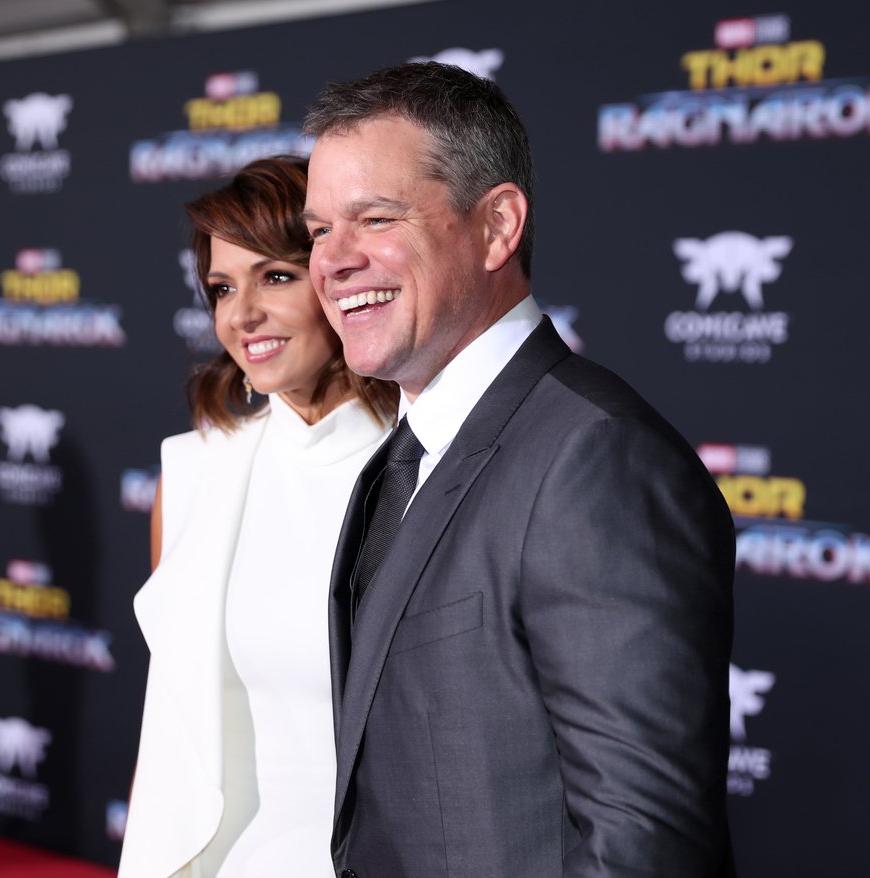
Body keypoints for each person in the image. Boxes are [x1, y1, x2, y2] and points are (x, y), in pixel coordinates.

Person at [301, 62, 736, 877]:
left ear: (498, 226)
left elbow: (643, 848)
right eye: (320, 229)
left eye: (376, 218)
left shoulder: (596, 457)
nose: (333, 261)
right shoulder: (405, 455)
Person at [119, 156, 397, 878]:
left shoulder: (430, 465)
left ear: (340, 280)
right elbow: (174, 734)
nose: (241, 315)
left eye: (274, 276)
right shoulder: (194, 473)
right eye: (222, 288)